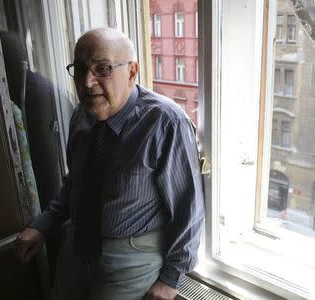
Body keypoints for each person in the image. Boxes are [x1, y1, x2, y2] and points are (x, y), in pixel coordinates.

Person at [15, 27, 205, 300]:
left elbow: (190, 211)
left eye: (102, 68)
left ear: (131, 71)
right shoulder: (83, 112)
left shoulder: (165, 122)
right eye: (80, 69)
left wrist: (170, 279)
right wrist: (43, 224)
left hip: (130, 257)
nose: (88, 81)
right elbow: (76, 185)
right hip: (78, 244)